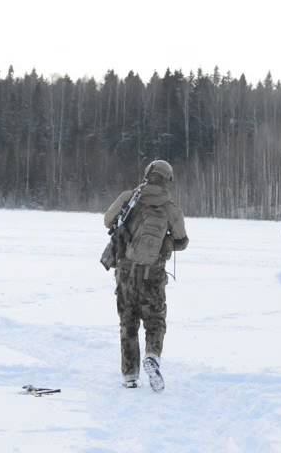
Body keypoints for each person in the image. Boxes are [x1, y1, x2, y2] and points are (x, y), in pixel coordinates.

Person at [103, 159, 189, 392]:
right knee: (155, 321)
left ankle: (130, 375)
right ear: (167, 179)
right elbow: (182, 241)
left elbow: (107, 221)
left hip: (125, 273)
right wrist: (166, 241)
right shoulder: (171, 208)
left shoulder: (128, 198)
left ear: (147, 174)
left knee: (128, 324)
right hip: (153, 274)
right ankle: (152, 356)